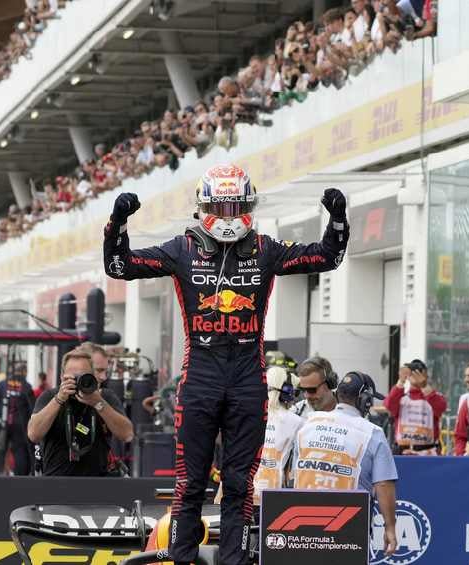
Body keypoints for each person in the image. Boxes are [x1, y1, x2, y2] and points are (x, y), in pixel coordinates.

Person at [103, 164, 349, 565]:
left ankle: (234, 561)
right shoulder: (182, 249)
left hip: (248, 380)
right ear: (204, 206)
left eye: (235, 206)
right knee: (190, 483)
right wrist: (117, 225)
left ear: (248, 206)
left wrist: (337, 220)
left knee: (238, 483)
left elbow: (326, 257)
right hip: (200, 377)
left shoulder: (266, 248)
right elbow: (119, 266)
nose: (228, 215)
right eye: (221, 206)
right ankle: (181, 559)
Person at [293, 371, 398, 556]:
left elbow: (295, 474)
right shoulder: (372, 433)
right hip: (349, 526)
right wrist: (390, 527)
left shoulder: (307, 424)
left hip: (301, 523)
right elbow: (383, 484)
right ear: (365, 400)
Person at [27, 347, 134, 476]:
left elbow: (127, 435)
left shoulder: (104, 397)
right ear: (62, 376)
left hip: (97, 481)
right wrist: (59, 399)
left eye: (83, 376)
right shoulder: (50, 396)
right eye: (73, 377)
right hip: (56, 480)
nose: (77, 381)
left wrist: (98, 403)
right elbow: (33, 434)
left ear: (92, 376)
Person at [251, 366, 304, 503]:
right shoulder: (296, 421)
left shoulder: (249, 413)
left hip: (240, 492)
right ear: (287, 392)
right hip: (270, 497)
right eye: (294, 392)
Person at [385, 359, 447, 455]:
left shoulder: (433, 396)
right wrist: (401, 381)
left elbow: (441, 407)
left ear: (426, 375)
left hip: (428, 453)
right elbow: (389, 404)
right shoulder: (401, 398)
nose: (415, 373)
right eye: (412, 370)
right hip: (403, 453)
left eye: (419, 371)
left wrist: (424, 386)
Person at [0, 362, 36, 475]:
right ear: (24, 372)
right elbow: (32, 409)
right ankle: (20, 478)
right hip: (20, 426)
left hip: (2, 423)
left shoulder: (2, 385)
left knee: (0, 450)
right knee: (20, 451)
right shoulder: (27, 386)